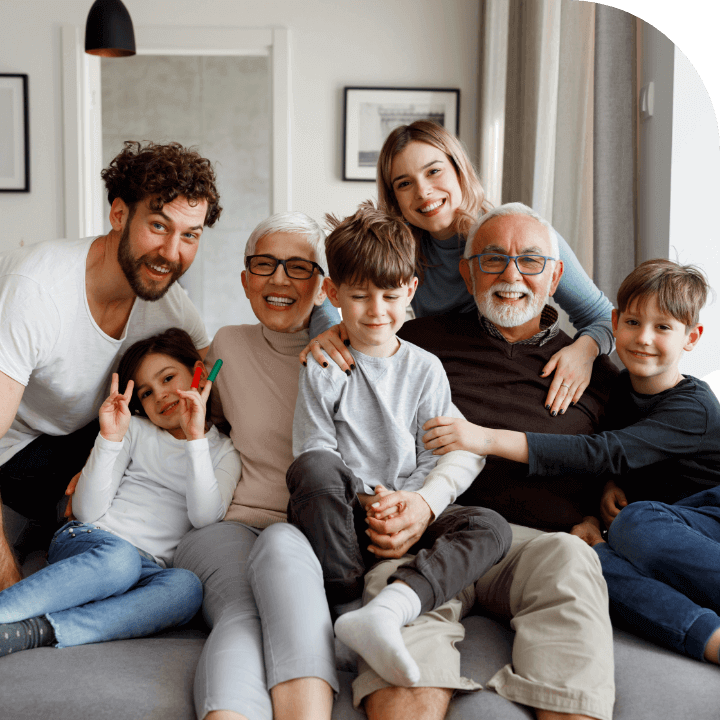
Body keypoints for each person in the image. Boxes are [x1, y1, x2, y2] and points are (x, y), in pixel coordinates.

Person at [428, 258, 720, 665]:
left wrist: (487, 438)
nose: (644, 338)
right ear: (614, 322)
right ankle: (710, 637)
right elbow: (611, 453)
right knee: (586, 558)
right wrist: (601, 495)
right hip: (660, 523)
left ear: (691, 338)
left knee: (637, 522)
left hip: (709, 518)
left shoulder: (695, 408)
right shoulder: (617, 388)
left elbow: (603, 452)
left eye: (663, 327)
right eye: (633, 323)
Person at [391, 202, 618, 720]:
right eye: (492, 260)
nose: (512, 275)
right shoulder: (414, 346)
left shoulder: (595, 370)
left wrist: (605, 495)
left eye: (530, 261)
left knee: (573, 564)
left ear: (556, 276)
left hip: (541, 545)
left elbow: (618, 452)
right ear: (467, 272)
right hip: (438, 531)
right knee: (396, 612)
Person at [285, 202, 510, 688]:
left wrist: (407, 501)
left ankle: (392, 605)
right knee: (314, 471)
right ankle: (345, 606)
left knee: (490, 527)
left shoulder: (424, 367)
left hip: (407, 513)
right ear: (334, 294)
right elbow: (315, 450)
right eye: (360, 296)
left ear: (410, 291)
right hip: (344, 520)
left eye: (389, 295)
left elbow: (435, 451)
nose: (376, 310)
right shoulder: (324, 365)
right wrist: (369, 497)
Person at [0, 140, 222, 590]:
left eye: (190, 235)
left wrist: (329, 332)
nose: (171, 252)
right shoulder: (38, 290)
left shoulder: (171, 305)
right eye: (158, 226)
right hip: (16, 454)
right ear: (119, 214)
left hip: (86, 439)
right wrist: (7, 580)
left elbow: (220, 379)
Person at [303, 120, 613, 418]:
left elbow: (603, 316)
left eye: (434, 171)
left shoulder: (520, 236)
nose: (423, 192)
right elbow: (331, 288)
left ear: (459, 171)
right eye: (404, 183)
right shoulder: (402, 250)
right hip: (452, 377)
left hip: (519, 368)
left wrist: (584, 351)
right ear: (395, 198)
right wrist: (329, 329)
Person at [173, 213, 339, 720]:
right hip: (233, 523)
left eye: (298, 267)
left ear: (323, 285)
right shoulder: (226, 345)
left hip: (316, 533)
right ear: (245, 280)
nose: (280, 280)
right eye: (264, 265)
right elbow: (194, 419)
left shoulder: (352, 353)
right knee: (243, 612)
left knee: (286, 585)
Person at [0, 328, 240, 657]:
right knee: (119, 561)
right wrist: (110, 439)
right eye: (146, 392)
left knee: (186, 588)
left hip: (148, 566)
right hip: (90, 541)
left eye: (168, 378)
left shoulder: (224, 451)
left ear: (199, 373)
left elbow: (204, 517)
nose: (161, 395)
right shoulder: (136, 431)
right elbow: (86, 511)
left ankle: (34, 631)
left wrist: (195, 438)